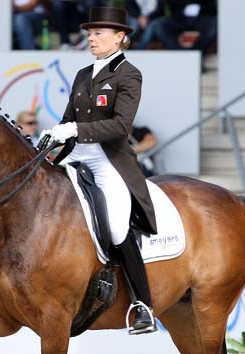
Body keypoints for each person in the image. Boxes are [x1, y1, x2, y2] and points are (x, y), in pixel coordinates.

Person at [40, 6, 158, 335]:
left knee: (118, 229)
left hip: (108, 159)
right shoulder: (81, 75)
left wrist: (75, 130)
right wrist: (54, 134)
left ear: (120, 37)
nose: (91, 38)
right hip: (75, 154)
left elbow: (120, 127)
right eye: (90, 34)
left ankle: (143, 305)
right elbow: (68, 120)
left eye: (98, 33)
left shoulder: (128, 74)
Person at [135, 1, 217, 55]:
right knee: (158, 25)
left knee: (215, 24)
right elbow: (172, 6)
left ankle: (196, 53)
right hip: (180, 19)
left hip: (201, 18)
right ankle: (180, 53)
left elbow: (212, 7)